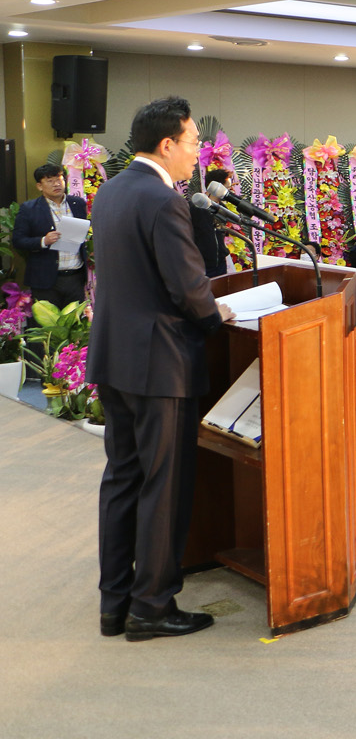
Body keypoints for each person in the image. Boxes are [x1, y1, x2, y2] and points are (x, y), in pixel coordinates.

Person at [88, 96, 233, 640]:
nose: (199, 154)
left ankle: (115, 604)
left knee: (122, 479)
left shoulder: (112, 190)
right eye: (194, 142)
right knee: (162, 486)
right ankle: (152, 607)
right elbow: (188, 289)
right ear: (167, 144)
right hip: (160, 364)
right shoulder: (163, 199)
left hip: (116, 358)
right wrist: (216, 314)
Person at [14, 162, 92, 308]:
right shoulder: (29, 209)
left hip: (75, 276)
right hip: (45, 279)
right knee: (48, 327)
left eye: (60, 179)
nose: (56, 184)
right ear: (39, 186)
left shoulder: (78, 203)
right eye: (50, 181)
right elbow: (18, 241)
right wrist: (43, 241)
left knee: (76, 325)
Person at [189, 168, 232, 278]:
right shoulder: (196, 206)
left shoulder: (223, 208)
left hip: (220, 262)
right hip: (202, 265)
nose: (228, 192)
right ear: (217, 187)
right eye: (226, 189)